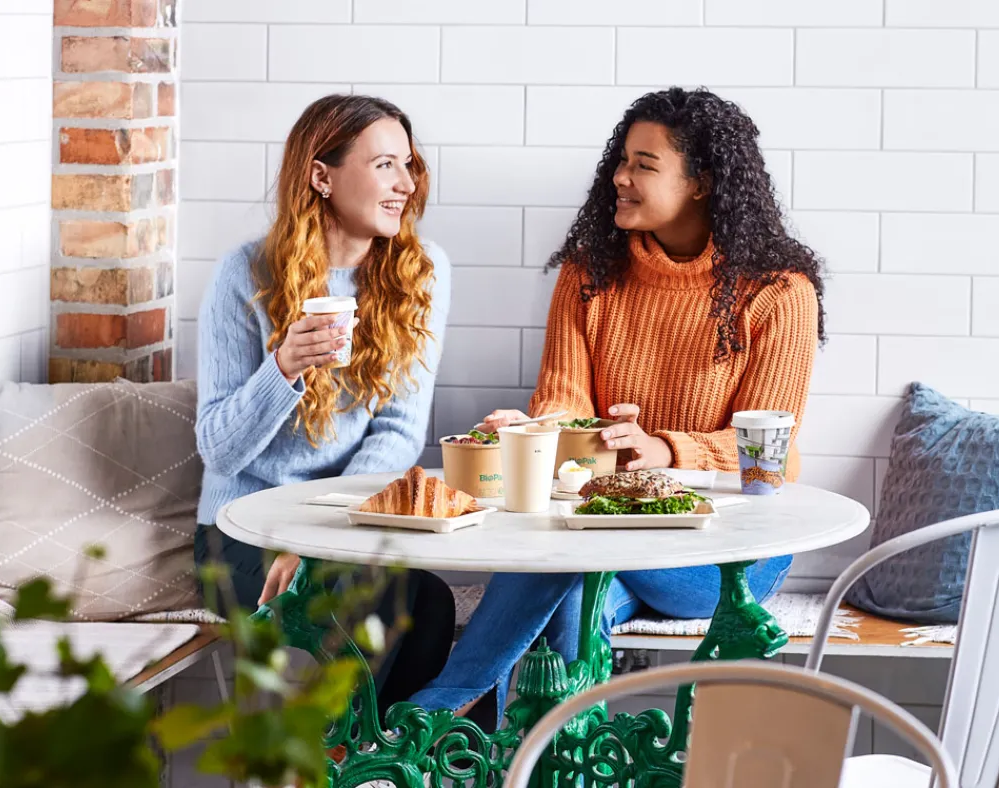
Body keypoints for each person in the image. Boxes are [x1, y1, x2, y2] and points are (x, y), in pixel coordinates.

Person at [410, 87, 826, 727]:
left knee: (568, 553)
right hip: (603, 528)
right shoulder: (590, 274)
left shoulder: (777, 293)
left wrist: (665, 451)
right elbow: (564, 400)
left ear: (702, 183)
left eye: (643, 165)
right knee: (575, 599)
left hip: (719, 556)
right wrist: (538, 430)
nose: (619, 177)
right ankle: (555, 762)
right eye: (621, 160)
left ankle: (439, 715)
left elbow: (772, 455)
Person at [193, 94, 455, 710]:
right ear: (322, 176)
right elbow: (220, 451)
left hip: (346, 530)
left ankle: (357, 766)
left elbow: (398, 432)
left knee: (429, 602)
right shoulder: (246, 272)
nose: (406, 184)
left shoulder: (422, 273)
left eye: (410, 166)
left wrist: (323, 536)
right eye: (386, 165)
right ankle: (350, 767)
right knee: (381, 604)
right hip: (240, 533)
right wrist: (282, 367)